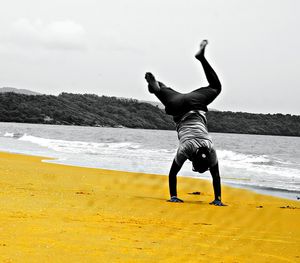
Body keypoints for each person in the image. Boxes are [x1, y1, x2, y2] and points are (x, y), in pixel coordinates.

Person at [145, 40, 225, 206]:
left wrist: (218, 199)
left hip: (194, 102)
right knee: (163, 94)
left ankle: (159, 86)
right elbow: (173, 174)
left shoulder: (211, 149)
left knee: (216, 87)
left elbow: (216, 175)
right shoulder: (186, 149)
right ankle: (157, 89)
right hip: (177, 105)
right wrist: (173, 196)